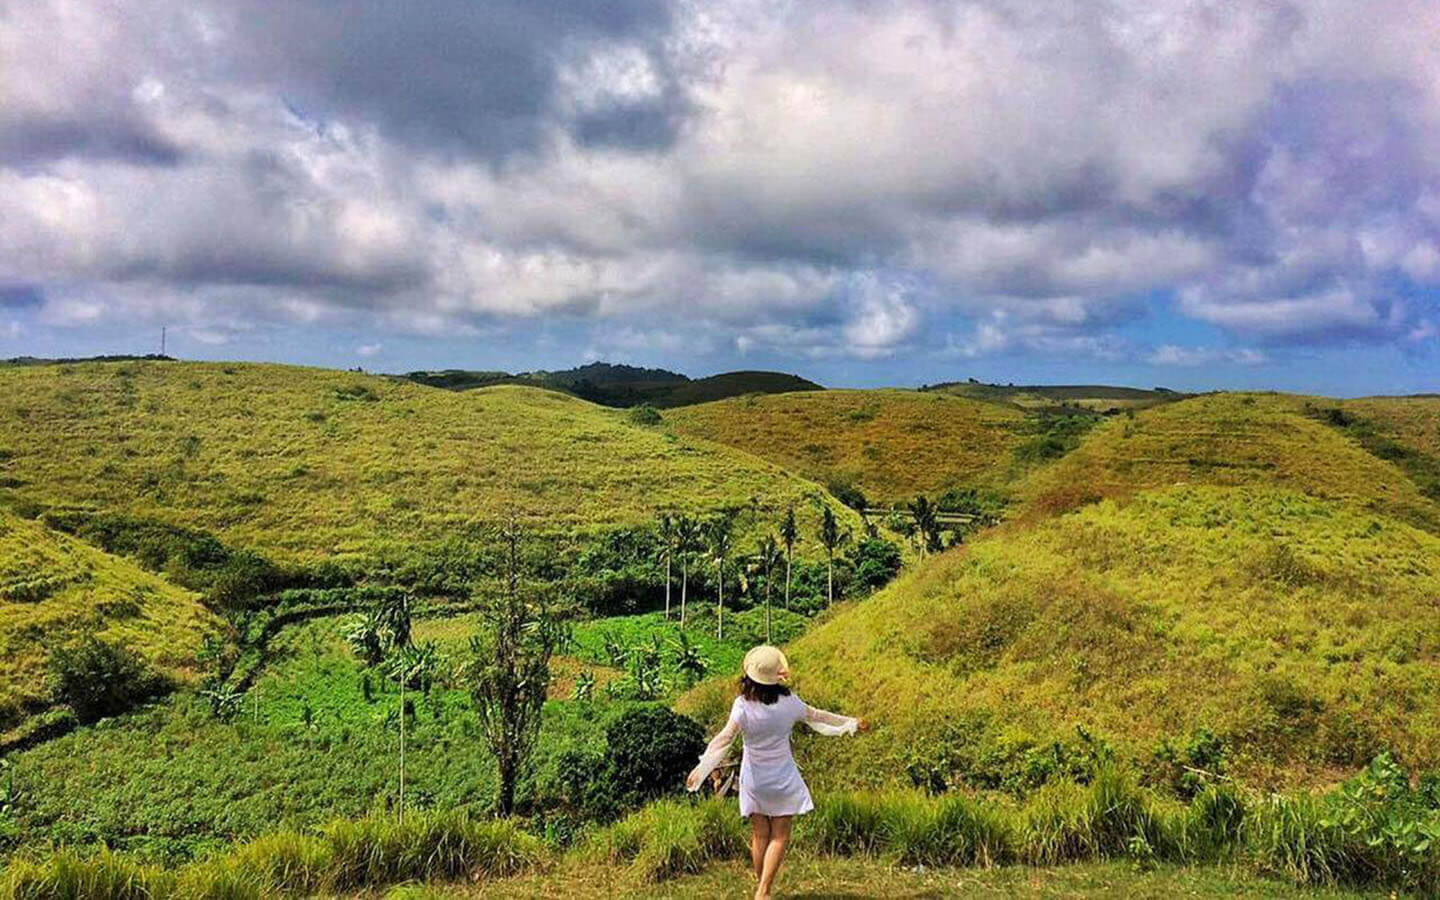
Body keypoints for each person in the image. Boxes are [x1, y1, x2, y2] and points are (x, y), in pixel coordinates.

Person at [685, 645, 868, 900]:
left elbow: (724, 739)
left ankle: (762, 888)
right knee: (780, 835)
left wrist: (702, 767)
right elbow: (819, 717)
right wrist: (850, 722)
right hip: (782, 776)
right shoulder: (789, 703)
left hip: (754, 778)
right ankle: (764, 891)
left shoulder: (743, 706)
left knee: (760, 834)